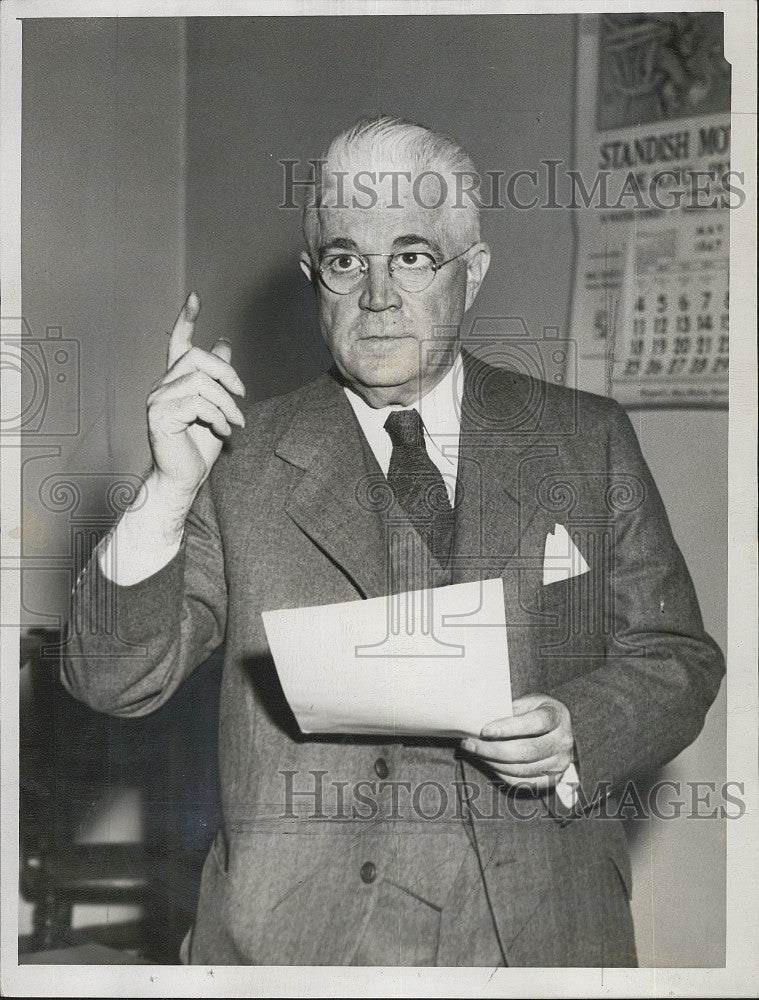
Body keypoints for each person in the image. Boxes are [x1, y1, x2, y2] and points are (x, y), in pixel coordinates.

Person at [63, 115, 725, 967]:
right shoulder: (238, 459)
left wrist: (575, 730)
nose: (376, 296)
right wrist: (167, 490)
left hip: (541, 938)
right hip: (295, 947)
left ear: (470, 274)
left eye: (411, 257)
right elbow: (112, 682)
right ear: (314, 279)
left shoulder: (584, 439)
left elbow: (675, 656)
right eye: (345, 261)